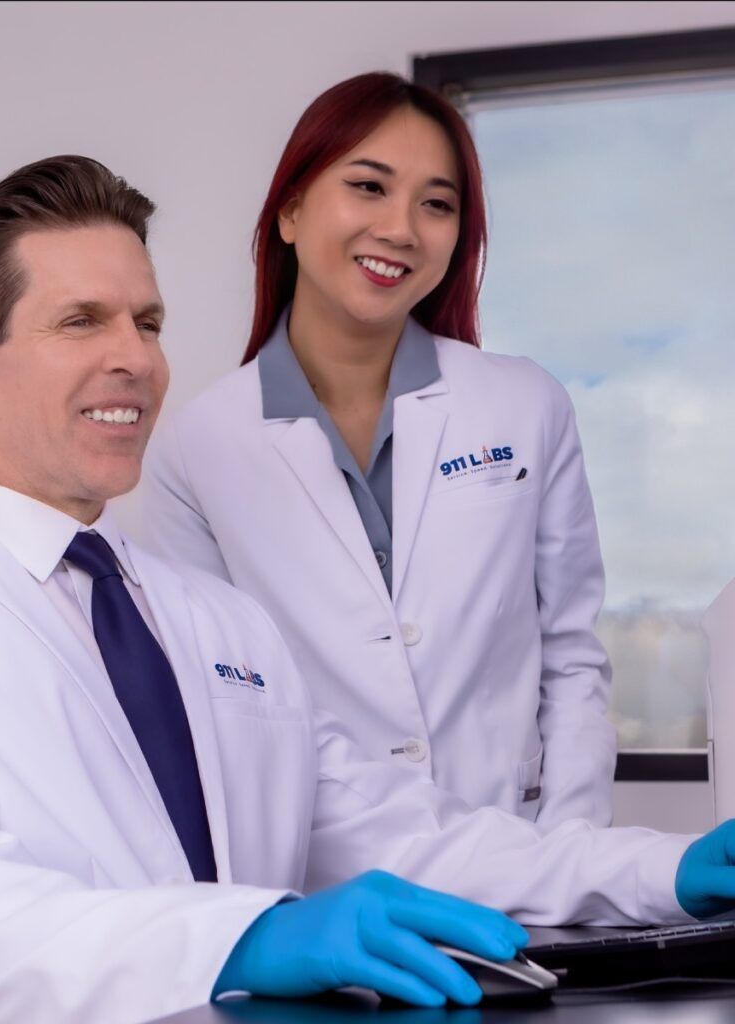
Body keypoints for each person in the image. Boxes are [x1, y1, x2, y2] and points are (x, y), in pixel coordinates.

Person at [0, 155, 735, 1024]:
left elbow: (408, 837)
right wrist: (247, 934)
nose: (133, 357)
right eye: (81, 320)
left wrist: (667, 873)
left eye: (148, 320)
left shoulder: (217, 622)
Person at [141, 71, 616, 828]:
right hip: (326, 877)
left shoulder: (526, 405)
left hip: (524, 860)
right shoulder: (198, 445)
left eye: (436, 203)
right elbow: (220, 695)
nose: (401, 228)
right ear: (290, 210)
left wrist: (573, 855)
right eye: (368, 186)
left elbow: (573, 659)